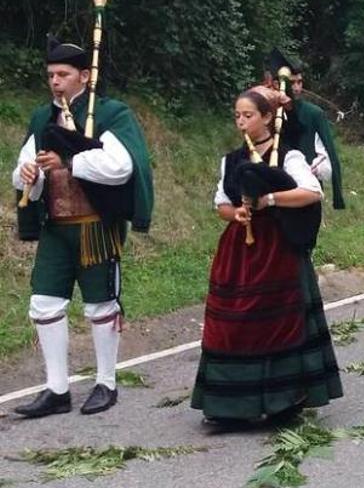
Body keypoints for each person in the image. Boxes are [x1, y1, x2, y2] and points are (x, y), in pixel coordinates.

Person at [10, 39, 154, 418]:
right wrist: (27, 174)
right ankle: (57, 389)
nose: (55, 82)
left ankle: (106, 382)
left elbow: (121, 167)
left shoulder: (111, 114)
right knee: (43, 304)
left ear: (84, 76)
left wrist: (68, 161)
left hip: (95, 227)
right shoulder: (43, 119)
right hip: (56, 226)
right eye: (51, 76)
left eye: (63, 75)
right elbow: (25, 166)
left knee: (100, 305)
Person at [191, 87, 342, 427]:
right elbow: (221, 204)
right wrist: (236, 215)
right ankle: (228, 404)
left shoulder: (288, 156)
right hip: (239, 252)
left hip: (278, 248)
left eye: (248, 115)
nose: (241, 122)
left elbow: (310, 192)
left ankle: (282, 400)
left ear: (267, 118)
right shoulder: (231, 160)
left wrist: (269, 201)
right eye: (237, 116)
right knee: (233, 323)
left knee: (278, 322)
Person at [264, 49, 346, 210]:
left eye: (299, 82)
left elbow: (328, 152)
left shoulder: (313, 113)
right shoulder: (264, 110)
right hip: (272, 186)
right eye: (291, 82)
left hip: (305, 188)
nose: (296, 88)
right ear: (276, 84)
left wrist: (318, 172)